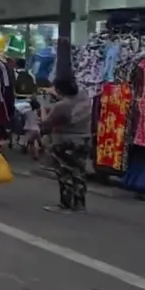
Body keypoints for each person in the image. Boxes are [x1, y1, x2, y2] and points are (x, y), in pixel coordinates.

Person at [41, 77, 93, 213]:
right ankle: (80, 203)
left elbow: (46, 123)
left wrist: (43, 107)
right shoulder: (84, 98)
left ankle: (65, 204)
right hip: (84, 138)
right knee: (79, 172)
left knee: (65, 172)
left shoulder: (62, 106)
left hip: (66, 141)